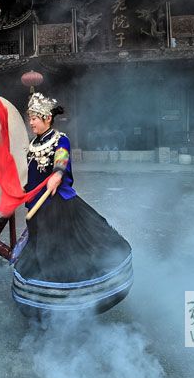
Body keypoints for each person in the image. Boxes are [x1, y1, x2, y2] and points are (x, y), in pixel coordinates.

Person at [11, 92, 133, 316]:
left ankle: (71, 300)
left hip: (58, 204)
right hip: (37, 205)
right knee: (41, 248)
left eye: (34, 118)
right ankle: (42, 301)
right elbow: (30, 173)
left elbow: (62, 159)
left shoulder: (60, 139)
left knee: (63, 248)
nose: (31, 123)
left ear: (47, 118)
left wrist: (58, 173)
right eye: (30, 119)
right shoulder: (33, 143)